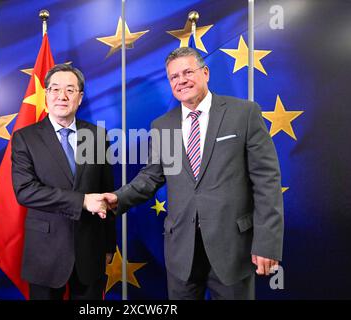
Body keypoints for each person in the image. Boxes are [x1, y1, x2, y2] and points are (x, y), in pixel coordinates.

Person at [102, 47, 284, 300]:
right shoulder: (162, 125)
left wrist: (267, 243)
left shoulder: (244, 113)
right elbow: (151, 177)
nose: (181, 80)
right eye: (174, 77)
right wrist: (117, 198)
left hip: (233, 248)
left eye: (188, 72)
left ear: (206, 73)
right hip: (181, 253)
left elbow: (267, 181)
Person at [11, 63, 116, 300]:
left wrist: (109, 244)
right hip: (44, 253)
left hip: (91, 250)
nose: (62, 96)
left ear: (79, 98)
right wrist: (82, 202)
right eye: (55, 89)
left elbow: (107, 192)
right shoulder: (24, 138)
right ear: (46, 95)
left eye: (70, 90)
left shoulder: (98, 136)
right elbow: (25, 191)